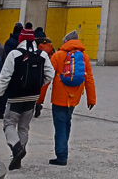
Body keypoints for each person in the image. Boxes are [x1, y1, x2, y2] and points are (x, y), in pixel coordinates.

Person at [0, 24, 54, 171]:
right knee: (24, 127)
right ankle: (18, 158)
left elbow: (5, 76)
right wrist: (38, 85)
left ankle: (16, 149)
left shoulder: (14, 54)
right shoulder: (42, 55)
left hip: (15, 96)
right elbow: (50, 74)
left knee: (9, 124)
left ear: (20, 40)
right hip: (32, 97)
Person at [47, 29, 96, 166]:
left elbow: (47, 76)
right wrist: (91, 99)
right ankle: (63, 150)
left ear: (66, 42)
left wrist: (39, 98)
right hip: (74, 98)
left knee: (60, 126)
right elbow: (89, 79)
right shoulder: (84, 57)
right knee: (67, 123)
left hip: (59, 98)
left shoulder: (58, 55)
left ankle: (61, 156)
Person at [0, 22, 24, 119]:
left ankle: (1, 111)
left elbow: (5, 55)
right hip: (20, 70)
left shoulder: (10, 41)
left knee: (5, 91)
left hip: (10, 68)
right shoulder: (23, 43)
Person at [34, 27, 55, 118]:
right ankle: (39, 103)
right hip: (47, 67)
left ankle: (33, 104)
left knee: (34, 87)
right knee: (43, 88)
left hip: (37, 67)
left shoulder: (36, 43)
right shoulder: (49, 44)